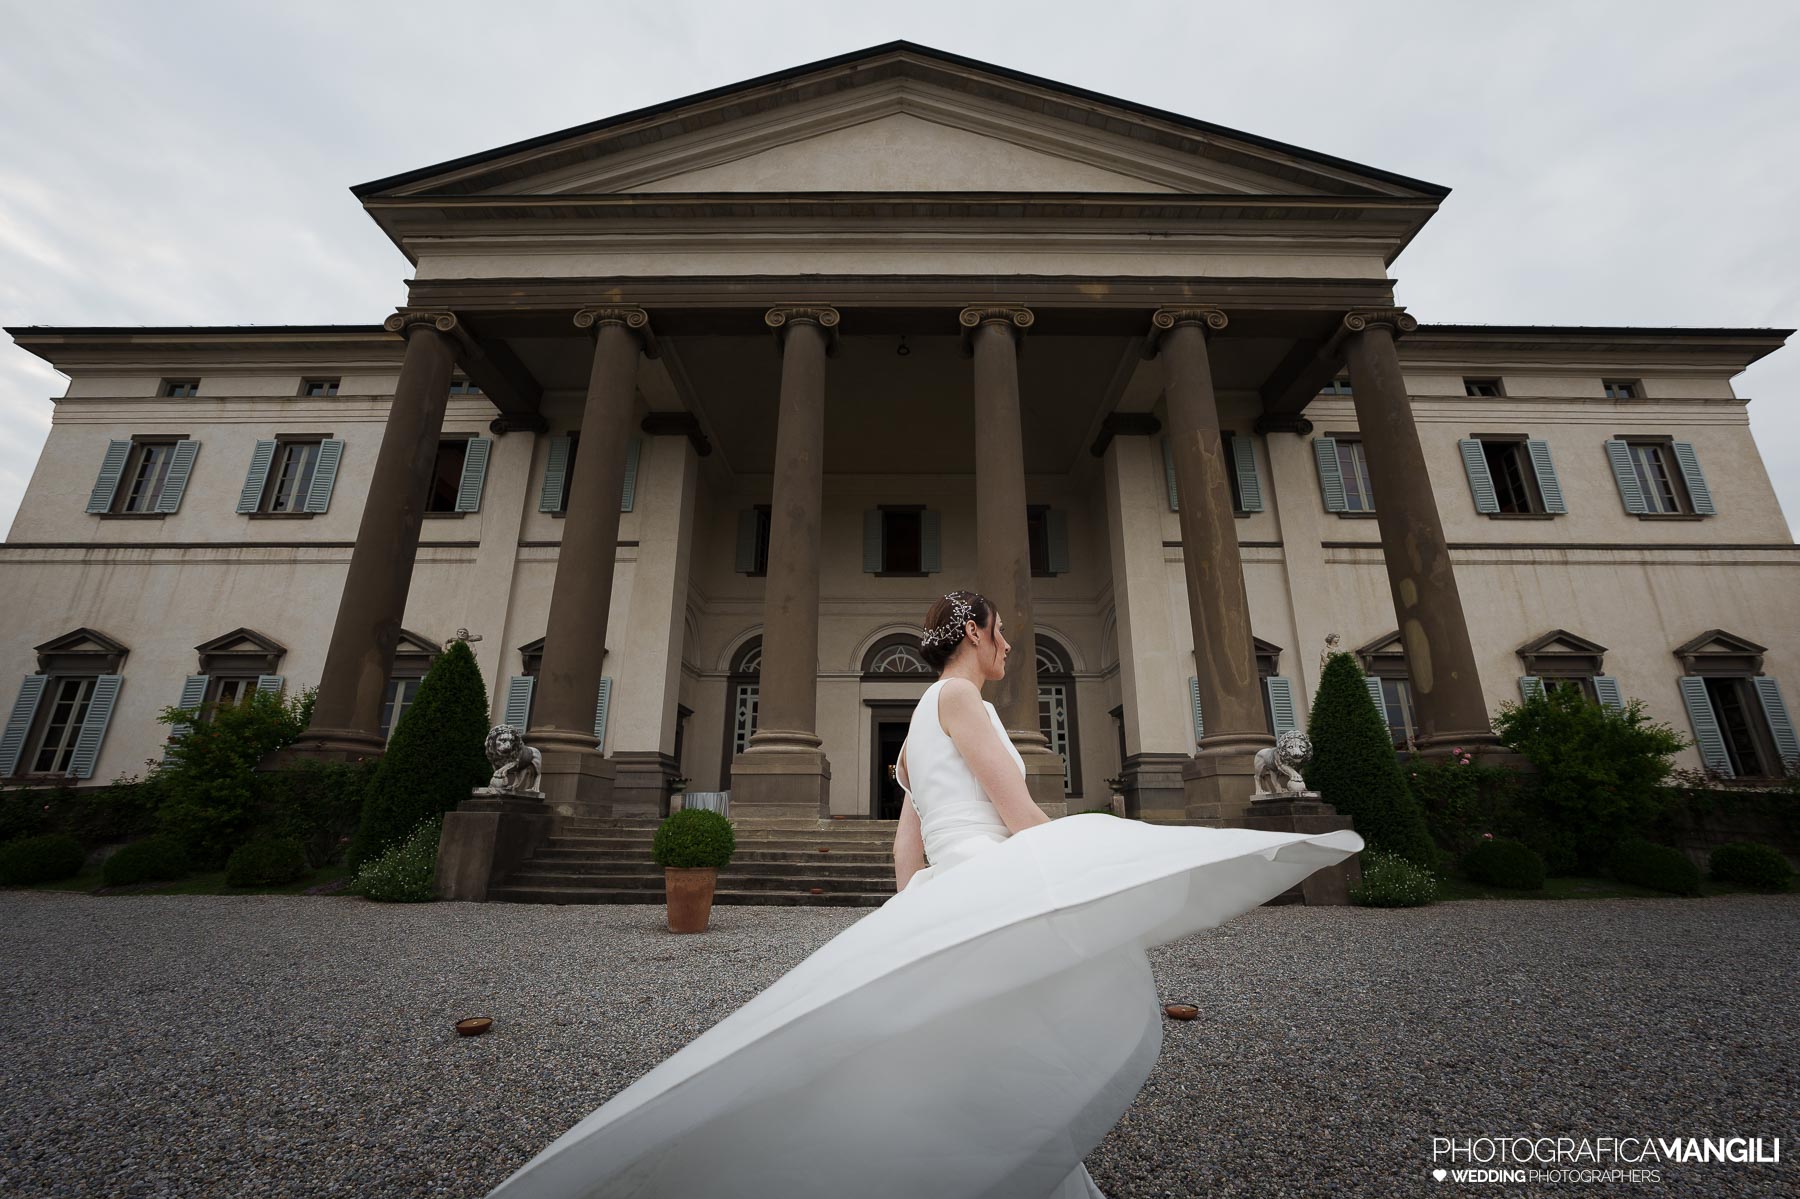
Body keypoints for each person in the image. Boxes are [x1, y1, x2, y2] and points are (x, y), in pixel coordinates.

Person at [482, 590, 1363, 1199]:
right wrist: (1088, 868)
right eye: (1003, 632)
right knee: (1012, 1032)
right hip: (988, 872)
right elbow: (1017, 810)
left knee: (959, 1036)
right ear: (974, 629)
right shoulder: (963, 703)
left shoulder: (912, 721)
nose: (1011, 647)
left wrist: (913, 913)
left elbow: (909, 837)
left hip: (952, 880)